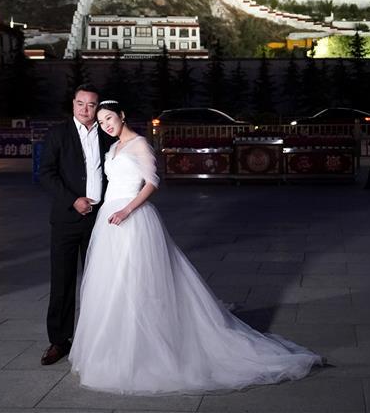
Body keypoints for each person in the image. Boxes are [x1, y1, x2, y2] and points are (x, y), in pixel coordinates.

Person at [69, 100, 322, 394]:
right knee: (111, 283)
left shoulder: (139, 144)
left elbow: (151, 183)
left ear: (122, 116)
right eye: (101, 122)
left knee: (139, 281)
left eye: (110, 118)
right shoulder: (113, 148)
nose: (106, 125)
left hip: (133, 217)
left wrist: (127, 210)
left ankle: (147, 345)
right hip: (108, 219)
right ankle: (112, 347)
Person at [38, 84, 113, 365]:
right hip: (66, 220)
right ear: (73, 104)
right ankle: (59, 341)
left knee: (99, 281)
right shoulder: (58, 134)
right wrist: (73, 200)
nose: (85, 109)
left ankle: (98, 339)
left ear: (98, 108)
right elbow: (46, 174)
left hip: (99, 220)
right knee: (62, 281)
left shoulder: (107, 134)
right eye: (80, 103)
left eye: (91, 105)